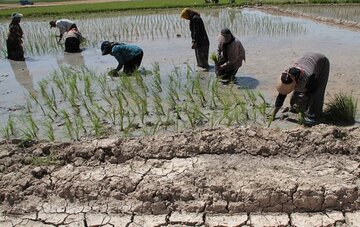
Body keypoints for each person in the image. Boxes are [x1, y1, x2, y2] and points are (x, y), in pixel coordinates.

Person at [272, 53, 330, 125]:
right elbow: (281, 96)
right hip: (307, 59)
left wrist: (305, 110)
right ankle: (295, 109)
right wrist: (273, 115)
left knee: (316, 93)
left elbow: (310, 92)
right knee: (298, 95)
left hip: (322, 63)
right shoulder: (286, 75)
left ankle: (313, 117)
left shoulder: (308, 79)